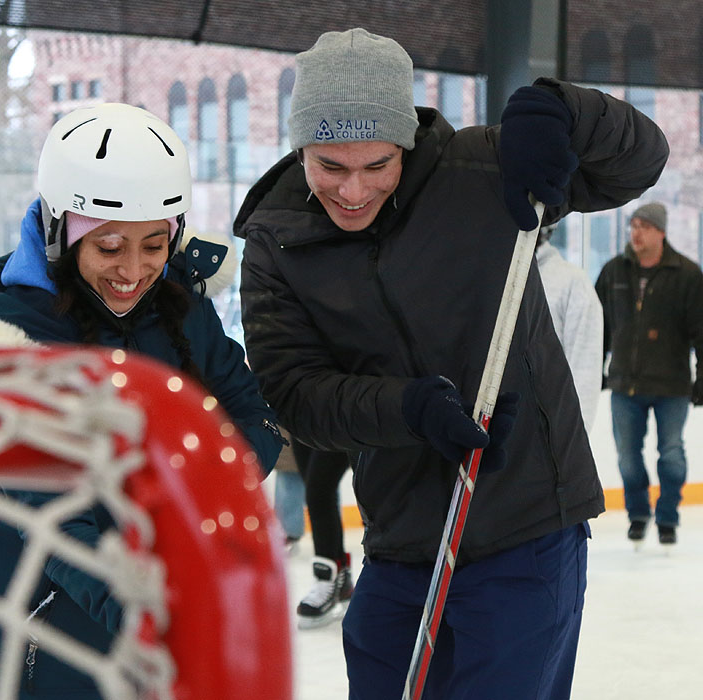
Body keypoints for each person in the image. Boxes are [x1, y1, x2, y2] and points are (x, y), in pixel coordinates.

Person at [233, 28, 669, 699]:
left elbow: (639, 159)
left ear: (405, 141)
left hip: (528, 528)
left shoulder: (484, 172)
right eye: (329, 165)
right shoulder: (277, 239)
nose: (352, 191)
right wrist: (406, 410)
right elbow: (293, 392)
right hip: (402, 535)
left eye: (377, 165)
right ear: (298, 148)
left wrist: (564, 111)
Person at [0, 102, 283, 699]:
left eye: (154, 245)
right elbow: (48, 506)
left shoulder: (185, 312)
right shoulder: (14, 336)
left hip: (144, 630)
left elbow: (252, 416)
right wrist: (135, 605)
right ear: (60, 234)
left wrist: (194, 494)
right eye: (110, 247)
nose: (133, 269)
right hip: (29, 637)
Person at [594, 202, 703, 547]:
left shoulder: (687, 275)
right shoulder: (613, 272)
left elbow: (701, 331)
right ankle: (638, 514)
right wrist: (594, 368)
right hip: (625, 383)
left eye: (643, 226)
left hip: (672, 385)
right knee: (628, 457)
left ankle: (667, 517)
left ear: (661, 231)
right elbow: (598, 327)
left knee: (671, 453)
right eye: (632, 225)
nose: (635, 232)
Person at [536, 225, 604, 429]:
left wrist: (573, 440)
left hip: (545, 429)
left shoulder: (572, 283)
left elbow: (584, 368)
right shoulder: (491, 276)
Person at [291, 442, 353, 628]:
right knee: (316, 490)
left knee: (318, 490)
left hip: (340, 416)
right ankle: (340, 579)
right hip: (300, 418)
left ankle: (326, 577)